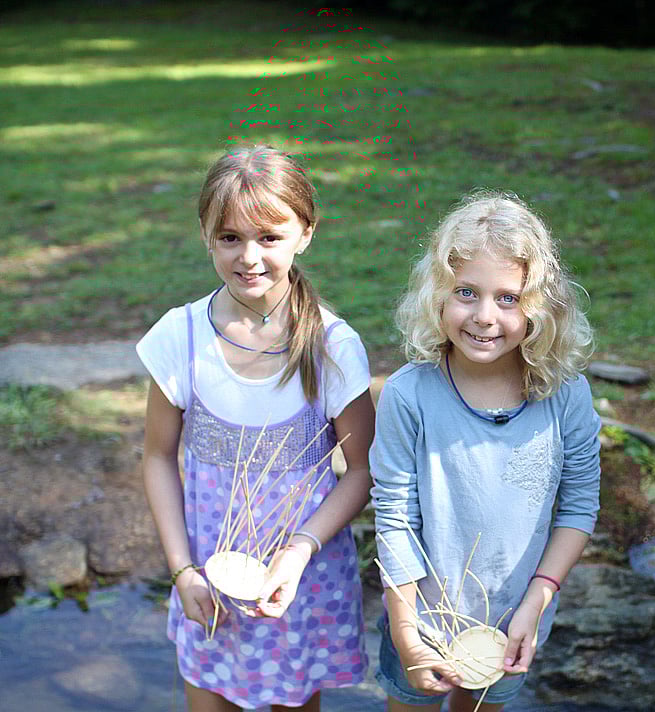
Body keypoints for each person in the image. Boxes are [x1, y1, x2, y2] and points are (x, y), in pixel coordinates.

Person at [138, 145, 375, 711]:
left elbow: (363, 470)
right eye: (230, 237)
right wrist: (182, 570)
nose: (249, 257)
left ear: (306, 233)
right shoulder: (179, 337)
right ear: (206, 235)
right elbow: (157, 457)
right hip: (206, 582)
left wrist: (297, 552)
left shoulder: (332, 347)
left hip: (302, 582)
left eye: (269, 237)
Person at [370, 191, 601, 711]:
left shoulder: (567, 395)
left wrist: (537, 600)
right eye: (466, 292)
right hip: (418, 621)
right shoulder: (409, 394)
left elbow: (578, 507)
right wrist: (406, 634)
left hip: (515, 622)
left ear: (540, 306)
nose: (484, 316)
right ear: (437, 294)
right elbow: (395, 516)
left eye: (508, 298)